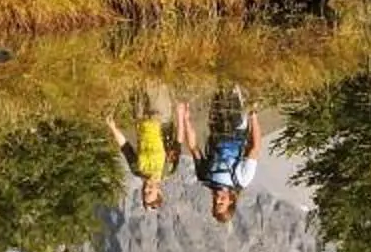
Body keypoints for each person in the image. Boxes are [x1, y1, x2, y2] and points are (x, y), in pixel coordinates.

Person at [174, 87, 261, 224]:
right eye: (221, 203)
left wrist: (187, 120)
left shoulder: (205, 177)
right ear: (231, 201)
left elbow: (193, 147)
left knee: (219, 85)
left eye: (215, 204)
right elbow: (255, 148)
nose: (217, 200)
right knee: (231, 85)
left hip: (215, 128)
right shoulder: (242, 180)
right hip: (237, 127)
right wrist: (253, 114)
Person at [106, 81, 179, 210]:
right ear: (159, 192)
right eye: (150, 193)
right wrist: (181, 117)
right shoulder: (168, 169)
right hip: (161, 119)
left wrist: (113, 128)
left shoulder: (137, 170)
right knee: (157, 79)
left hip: (140, 118)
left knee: (138, 80)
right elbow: (177, 142)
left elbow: (126, 148)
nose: (146, 189)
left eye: (144, 193)